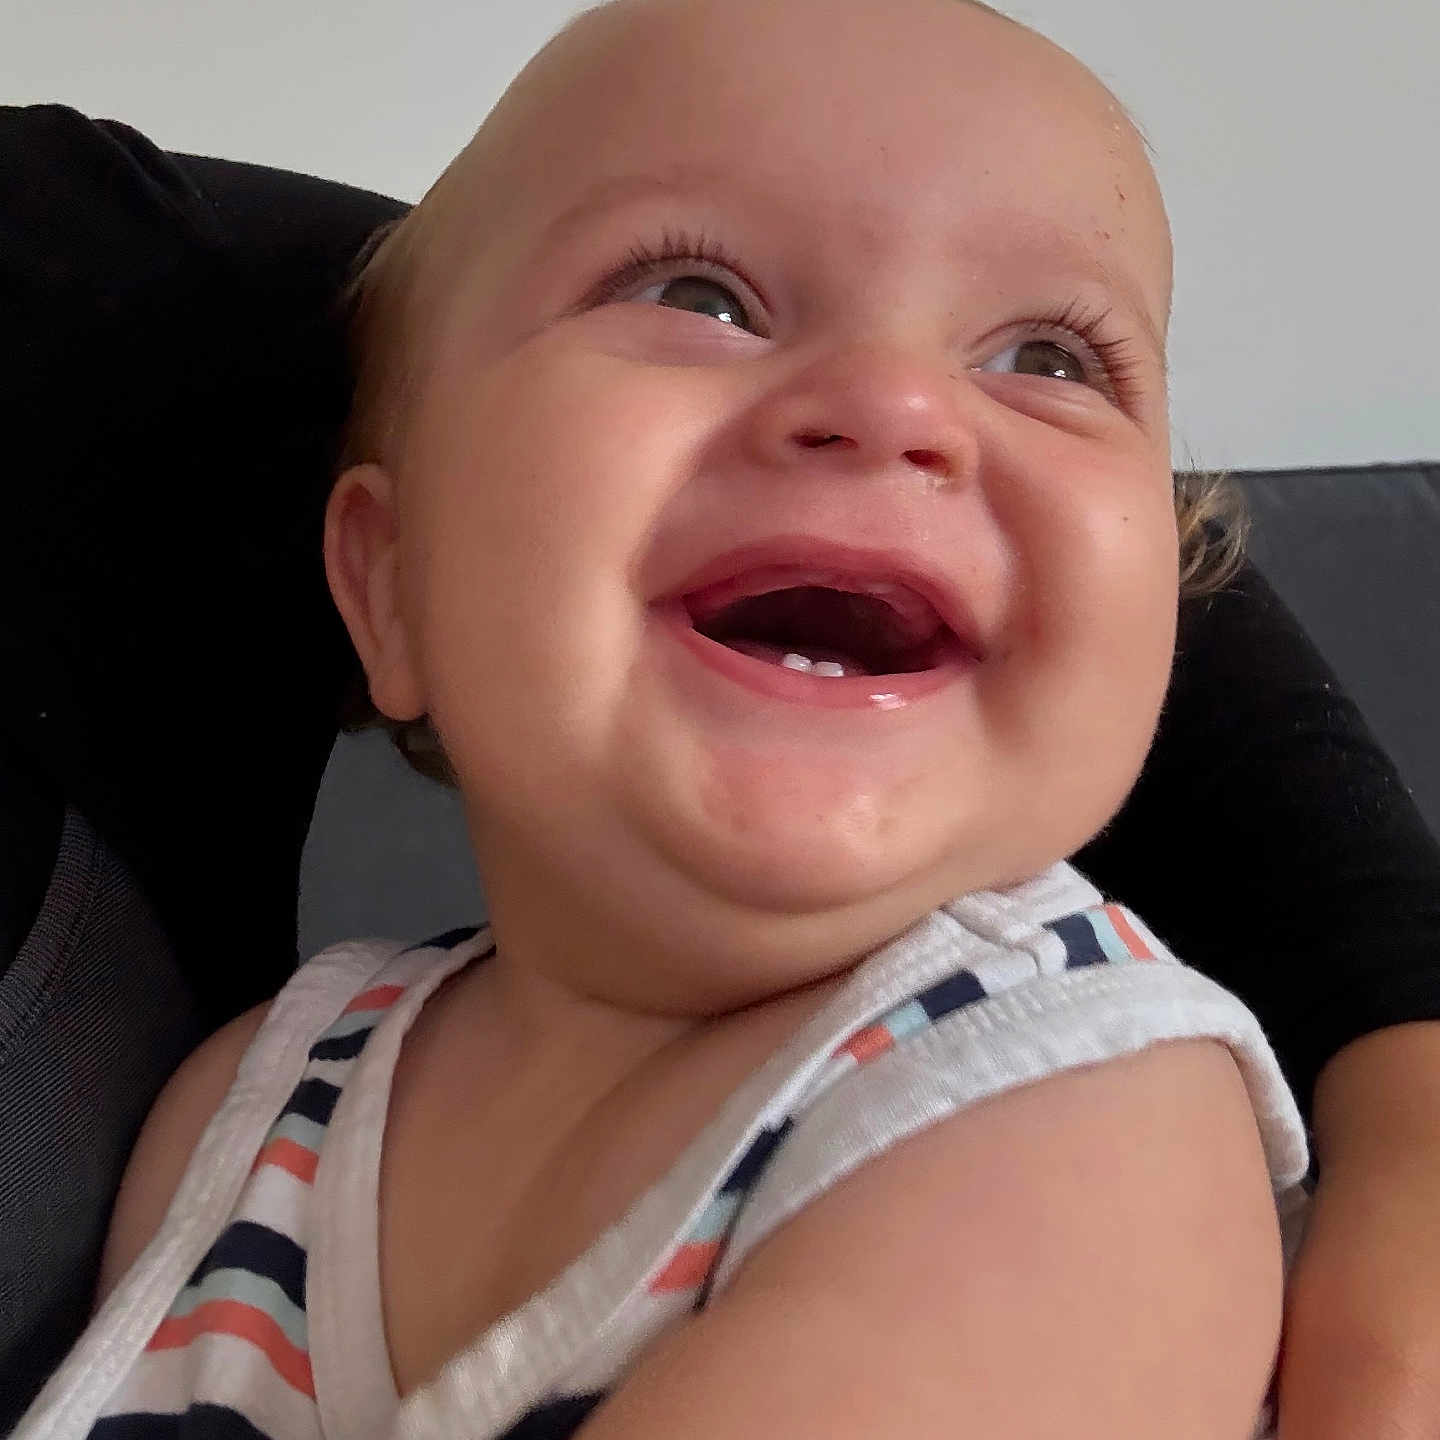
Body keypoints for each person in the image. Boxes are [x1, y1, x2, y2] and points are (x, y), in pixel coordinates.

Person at [8, 1, 1439, 1437]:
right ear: (390, 587)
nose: (894, 404)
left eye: (1049, 360)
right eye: (698, 296)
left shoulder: (1078, 1116)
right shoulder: (245, 1117)